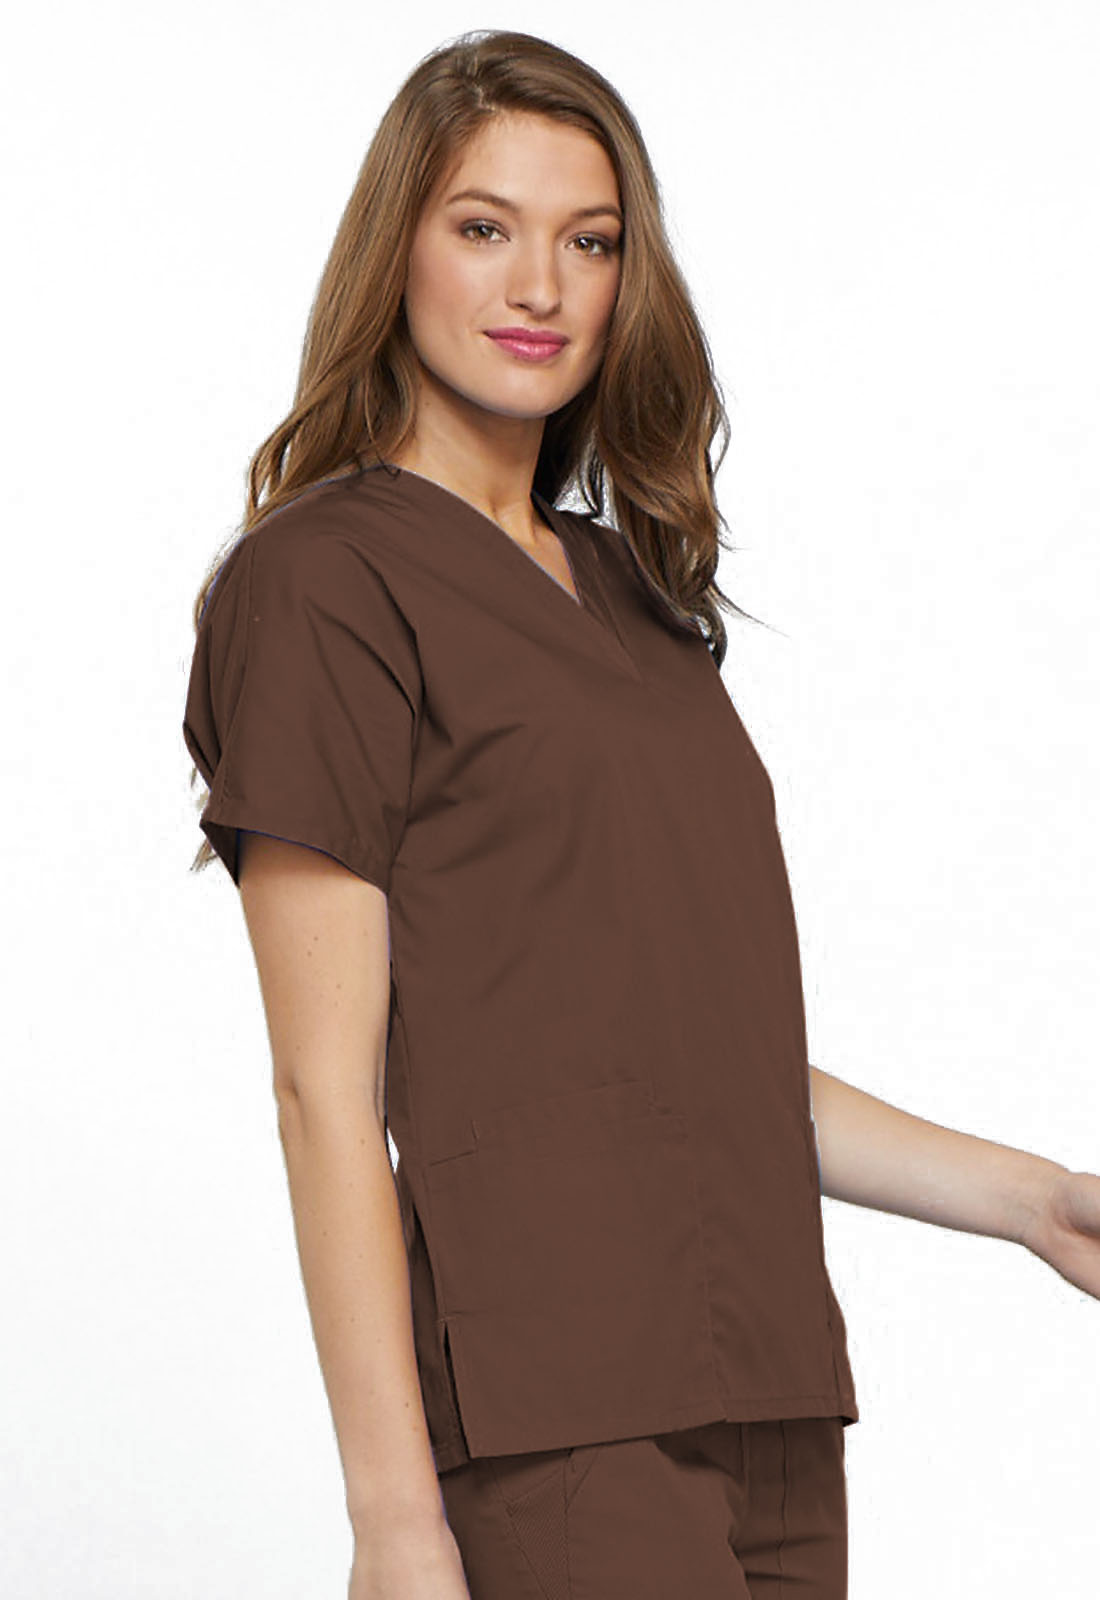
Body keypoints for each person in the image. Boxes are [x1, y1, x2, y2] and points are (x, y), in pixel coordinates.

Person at [182, 29, 1100, 1600]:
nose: (540, 284)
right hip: (555, 1418)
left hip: (772, 1396)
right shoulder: (324, 583)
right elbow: (323, 1089)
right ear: (397, 249)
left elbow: (686, 1066)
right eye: (485, 227)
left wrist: (1033, 1201)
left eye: (590, 241)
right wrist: (393, 1519)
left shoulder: (634, 594)